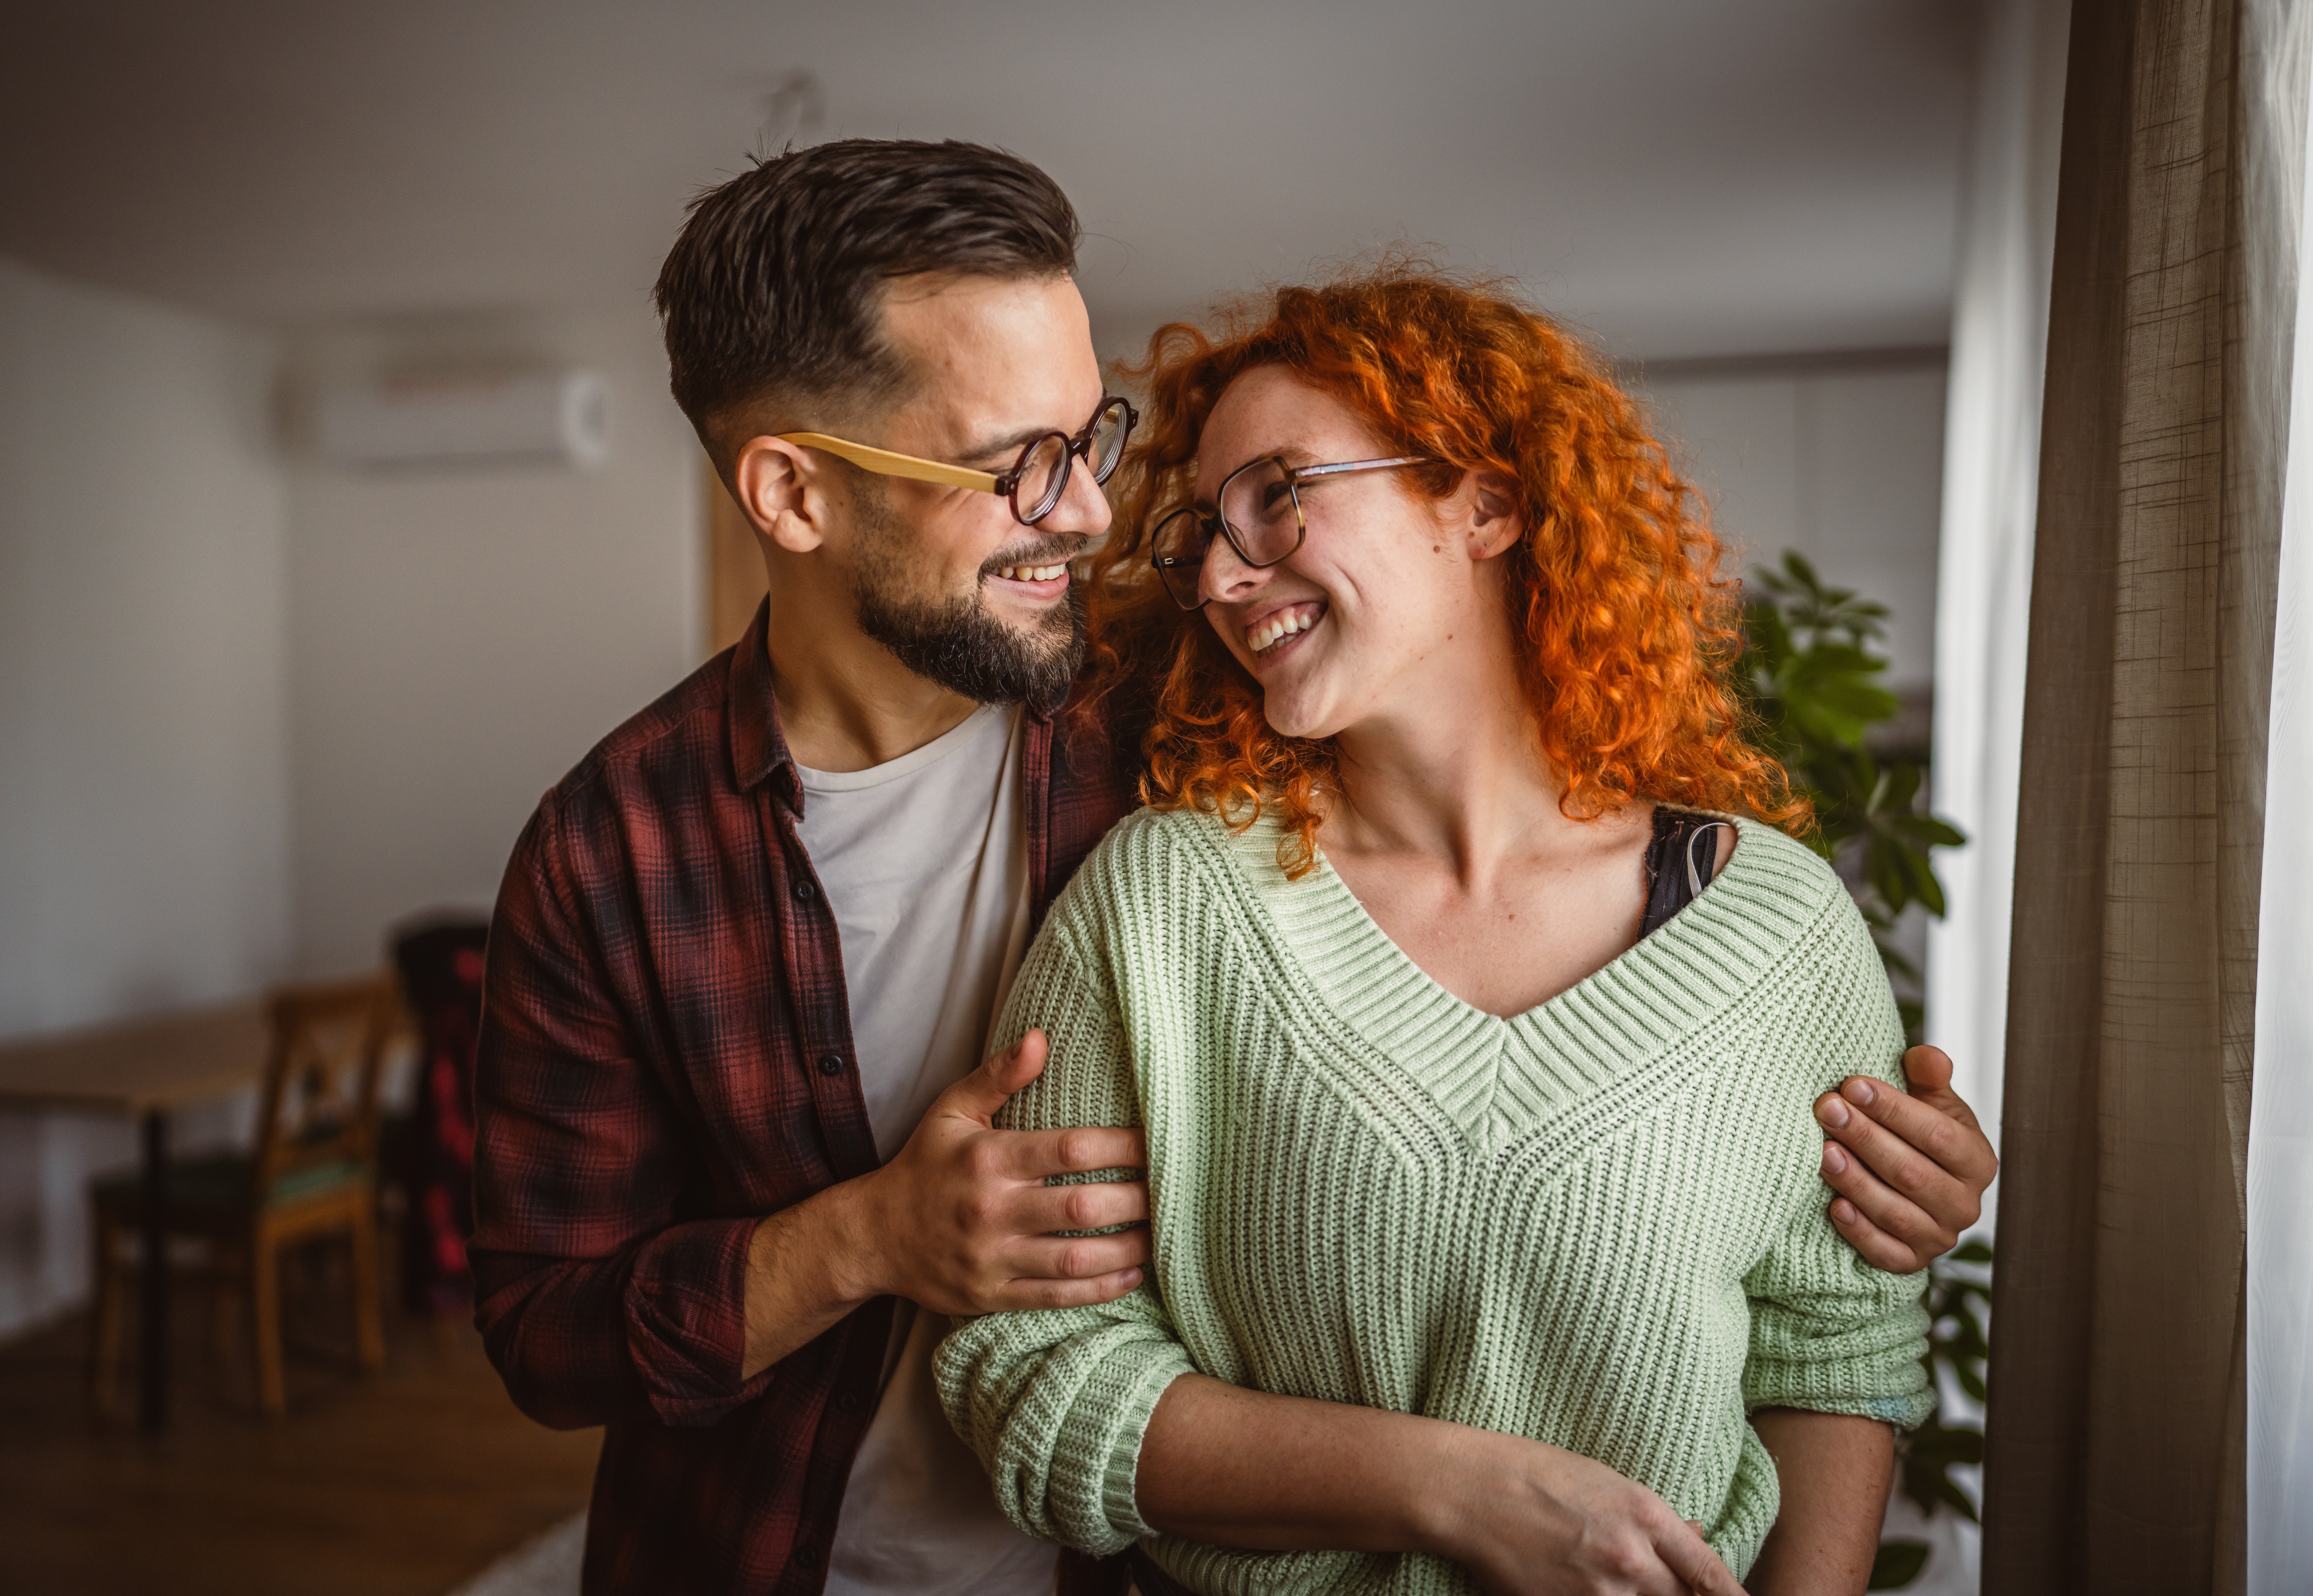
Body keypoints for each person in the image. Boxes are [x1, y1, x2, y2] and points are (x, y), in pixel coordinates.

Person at [467, 140, 1998, 1596]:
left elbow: (1528, 863)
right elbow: (547, 1330)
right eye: (1017, 463)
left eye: (1091, 441)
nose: (1093, 517)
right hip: (761, 1555)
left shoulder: (1192, 709)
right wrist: (864, 1236)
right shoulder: (612, 852)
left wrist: (1851, 1169)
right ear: (793, 495)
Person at [938, 270, 1952, 1596]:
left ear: (1485, 502)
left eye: (1279, 495)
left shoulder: (1778, 929)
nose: (1229, 576)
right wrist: (1468, 1492)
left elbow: (1835, 1348)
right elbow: (1036, 1376)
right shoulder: (1162, 907)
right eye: (1204, 533)